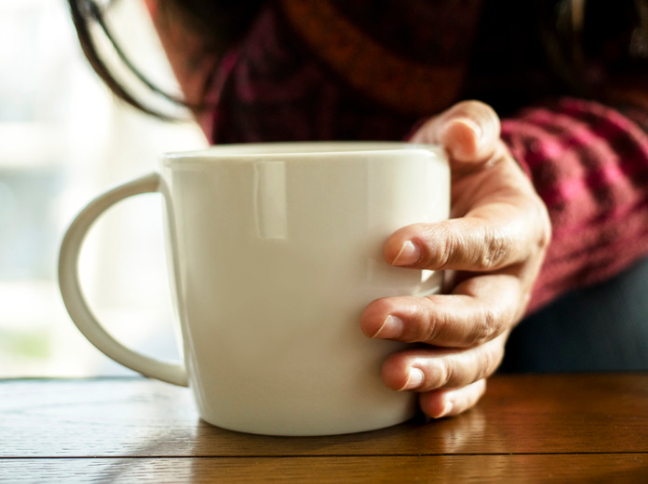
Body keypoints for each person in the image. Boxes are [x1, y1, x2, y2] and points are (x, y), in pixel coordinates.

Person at [68, 0, 648, 419]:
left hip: (588, 228)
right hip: (299, 315)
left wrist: (528, 184)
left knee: (608, 320)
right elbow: (269, 146)